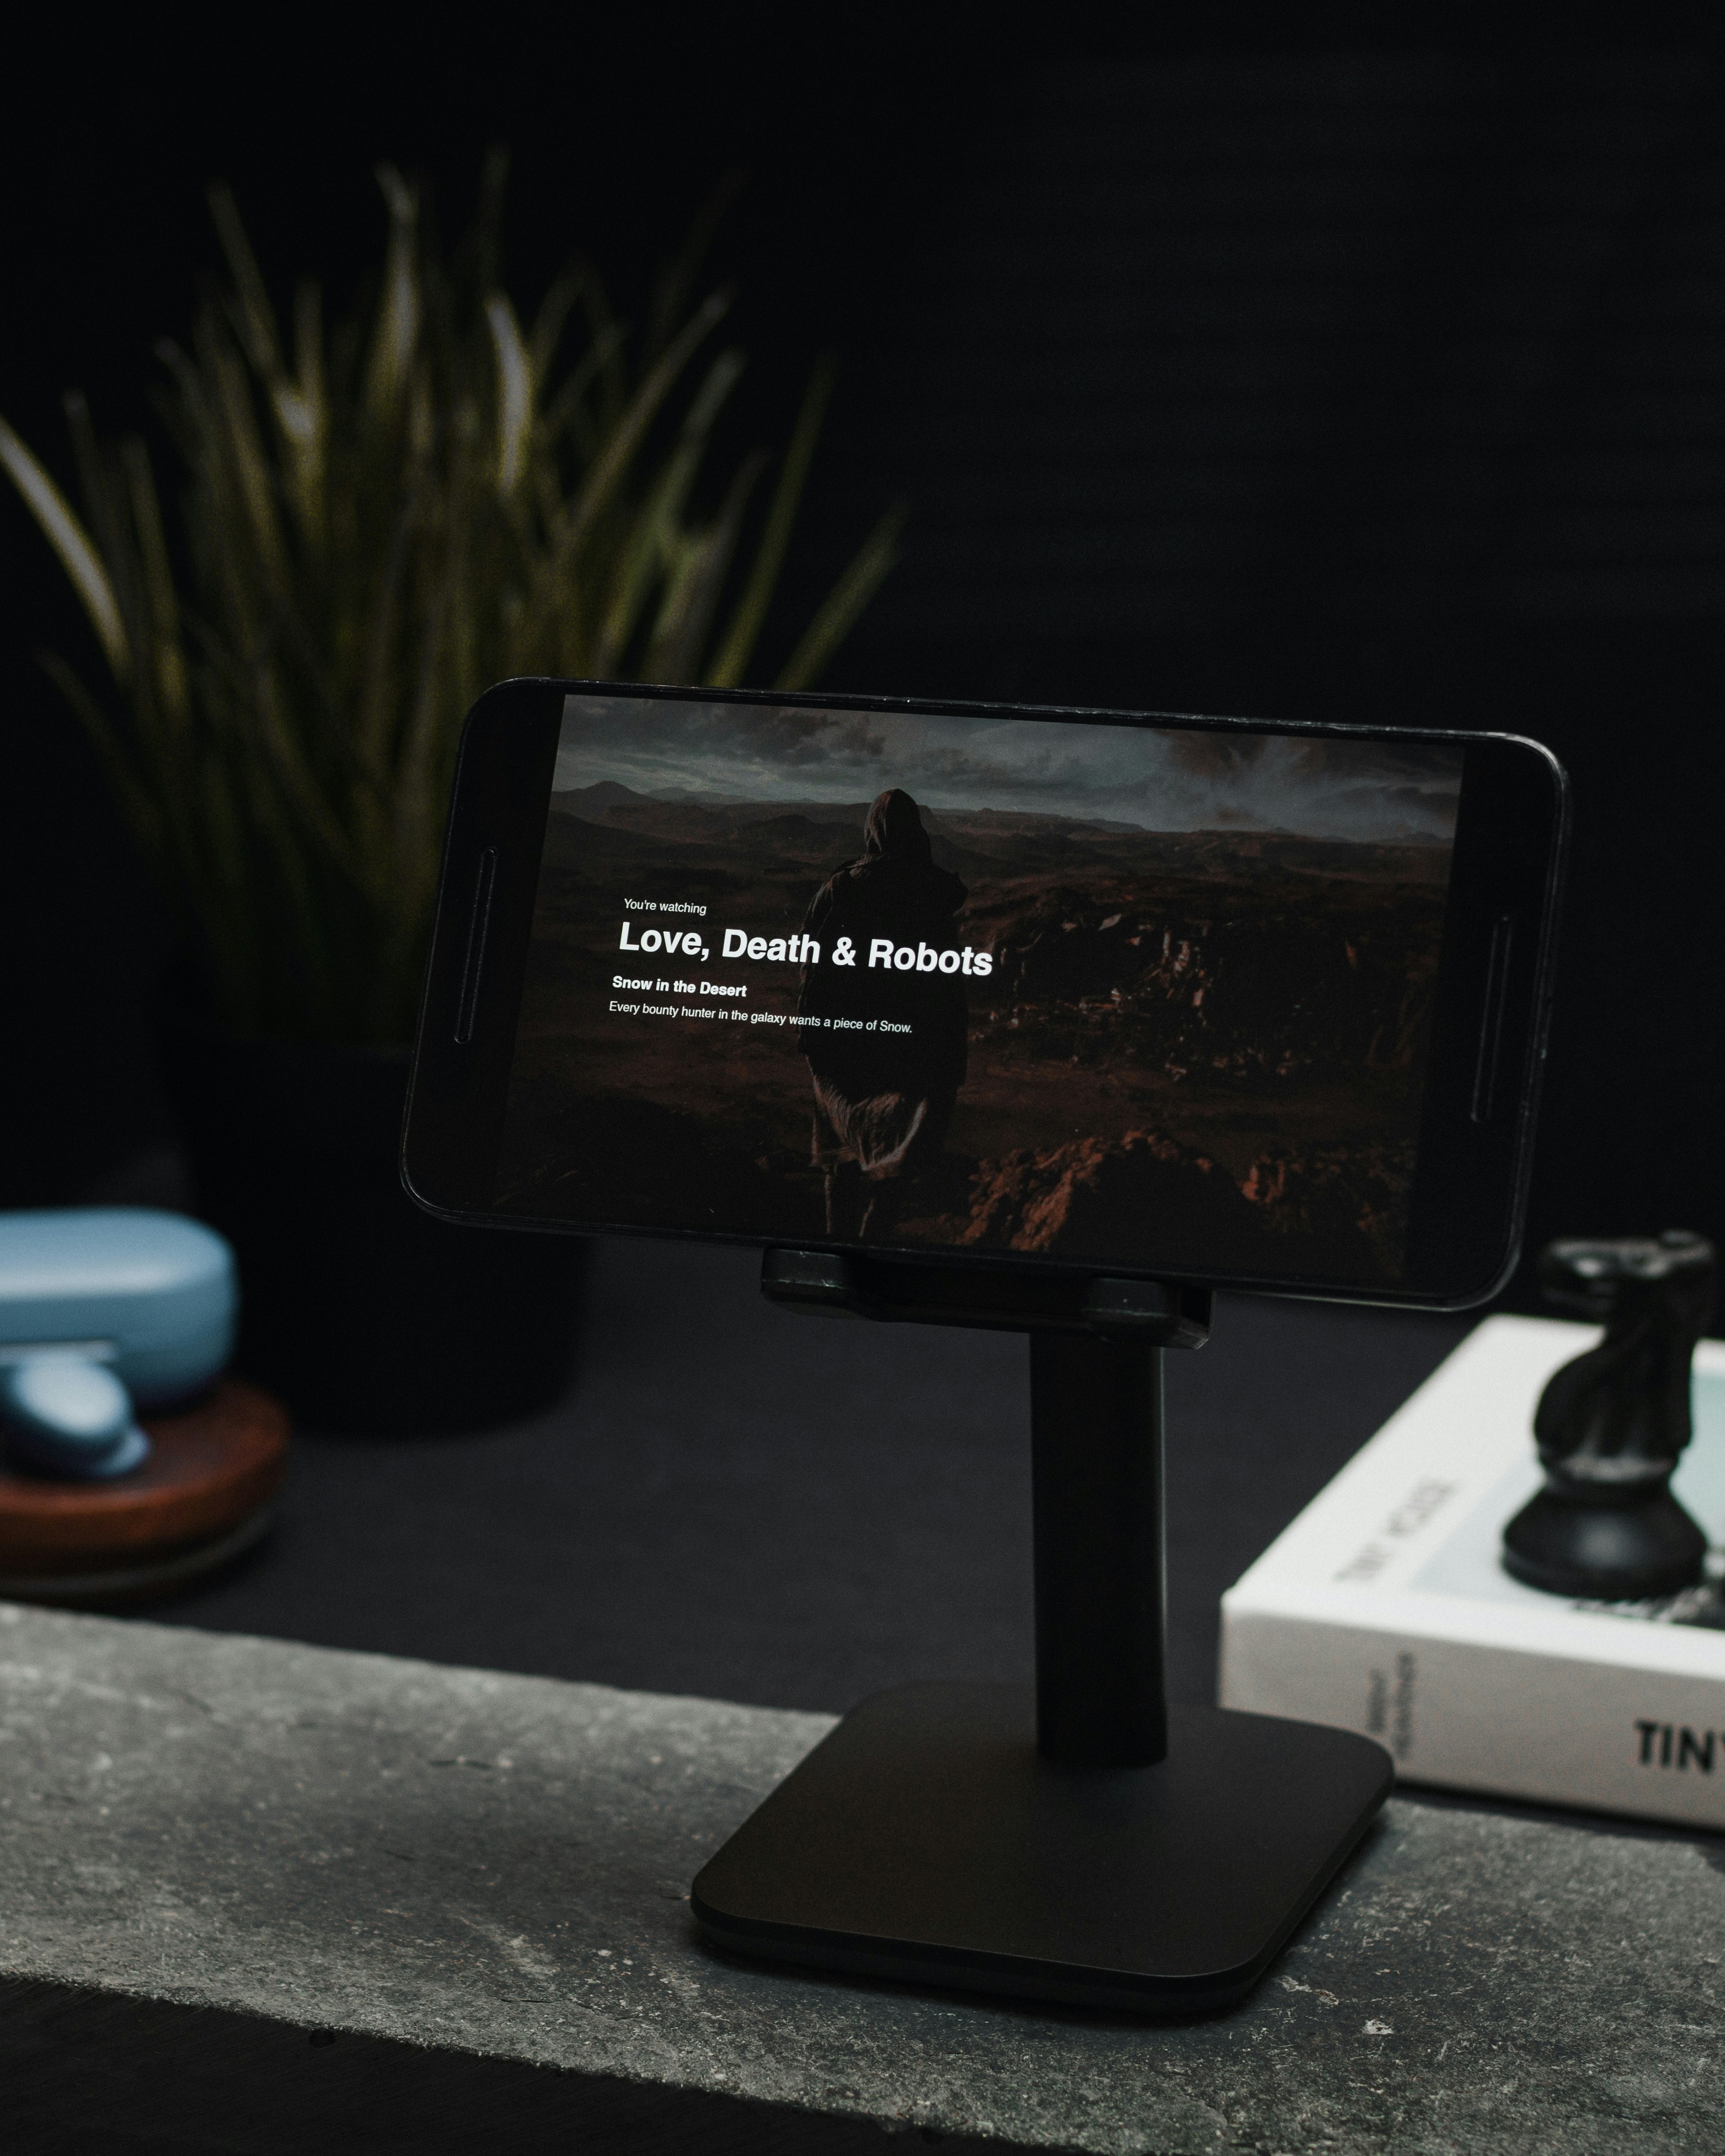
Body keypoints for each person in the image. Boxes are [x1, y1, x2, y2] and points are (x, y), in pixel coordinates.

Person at [798, 789, 970, 1240]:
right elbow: (948, 982)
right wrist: (950, 1059)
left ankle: (840, 1253)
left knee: (842, 1162)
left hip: (845, 1045)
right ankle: (870, 1249)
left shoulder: (842, 887)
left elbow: (811, 964)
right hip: (909, 1049)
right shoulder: (933, 893)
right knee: (892, 1168)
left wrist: (813, 1034)